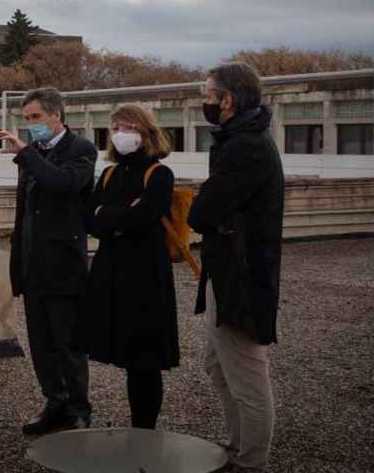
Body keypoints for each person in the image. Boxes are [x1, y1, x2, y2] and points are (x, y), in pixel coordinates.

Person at [188, 62, 285, 473]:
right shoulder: (240, 139)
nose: (205, 102)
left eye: (209, 95)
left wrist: (203, 206)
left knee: (246, 372)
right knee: (218, 364)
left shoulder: (246, 146)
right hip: (227, 269)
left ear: (228, 100)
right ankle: (237, 444)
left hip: (241, 276)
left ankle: (250, 461)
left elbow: (203, 210)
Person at [0, 87, 98, 436]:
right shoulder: (34, 152)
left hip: (63, 264)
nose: (31, 125)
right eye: (27, 119)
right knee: (41, 344)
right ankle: (54, 401)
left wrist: (26, 154)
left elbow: (63, 183)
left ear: (56, 115)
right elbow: (25, 211)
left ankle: (79, 408)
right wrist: (17, 264)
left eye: (36, 117)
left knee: (68, 344)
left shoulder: (80, 150)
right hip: (32, 264)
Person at [78, 104, 180, 430]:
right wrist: (121, 217)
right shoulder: (109, 173)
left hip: (146, 277)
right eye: (117, 127)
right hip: (111, 273)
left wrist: (109, 216)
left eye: (130, 127)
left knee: (144, 361)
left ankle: (144, 430)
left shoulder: (159, 173)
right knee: (120, 352)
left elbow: (146, 216)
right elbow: (89, 220)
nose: (122, 134)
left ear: (146, 132)